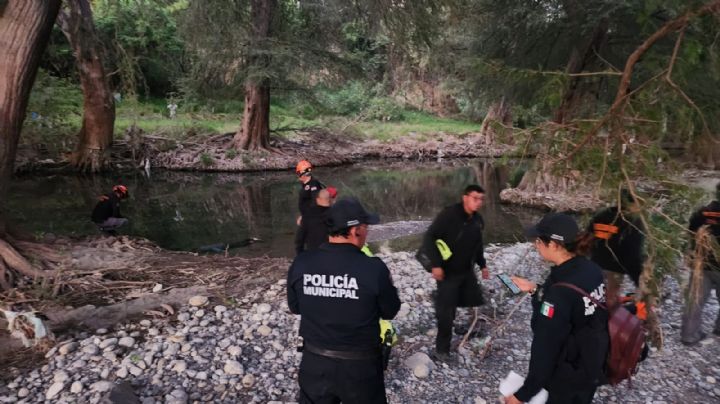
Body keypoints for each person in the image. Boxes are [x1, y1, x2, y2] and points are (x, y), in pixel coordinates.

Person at [287, 197, 401, 404]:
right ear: (355, 230)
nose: (367, 233)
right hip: (361, 369)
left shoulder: (302, 263)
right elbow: (390, 311)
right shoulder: (373, 269)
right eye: (366, 227)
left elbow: (295, 307)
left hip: (315, 363)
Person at [508, 213, 608, 404]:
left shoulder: (559, 292)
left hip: (567, 375)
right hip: (592, 362)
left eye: (538, 241)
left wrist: (523, 395)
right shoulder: (591, 269)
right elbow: (578, 306)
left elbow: (545, 349)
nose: (536, 245)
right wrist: (535, 289)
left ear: (553, 245)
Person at [423, 184, 489, 361]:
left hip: (466, 270)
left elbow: (478, 245)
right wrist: (436, 265)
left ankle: (466, 326)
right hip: (447, 271)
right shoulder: (449, 215)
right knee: (445, 309)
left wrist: (483, 265)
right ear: (465, 197)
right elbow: (430, 237)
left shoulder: (477, 220)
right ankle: (442, 350)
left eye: (481, 199)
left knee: (472, 299)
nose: (478, 202)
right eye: (475, 198)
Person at [588, 188, 645, 307]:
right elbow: (633, 254)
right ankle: (604, 320)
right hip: (615, 267)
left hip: (595, 263)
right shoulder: (633, 222)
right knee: (610, 297)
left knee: (592, 293)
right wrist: (638, 280)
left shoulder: (601, 215)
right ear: (633, 204)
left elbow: (587, 238)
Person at [681, 181, 720, 345]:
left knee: (695, 300)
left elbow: (690, 232)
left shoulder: (703, 212)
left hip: (701, 264)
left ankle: (689, 335)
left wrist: (691, 252)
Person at [295, 188, 333, 255]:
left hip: (313, 253)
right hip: (332, 253)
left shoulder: (308, 214)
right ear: (329, 199)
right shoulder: (336, 214)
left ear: (318, 199)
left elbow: (300, 238)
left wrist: (300, 254)